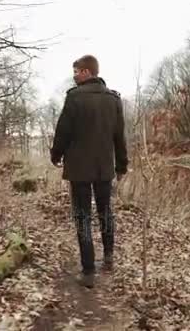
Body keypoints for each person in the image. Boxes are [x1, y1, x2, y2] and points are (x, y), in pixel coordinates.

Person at [50, 54, 129, 288]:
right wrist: (122, 165)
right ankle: (108, 258)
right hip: (104, 168)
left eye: (76, 71)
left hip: (79, 170)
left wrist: (56, 155)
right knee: (106, 212)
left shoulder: (74, 98)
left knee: (83, 217)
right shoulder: (113, 100)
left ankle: (88, 271)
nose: (74, 75)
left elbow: (63, 131)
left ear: (87, 72)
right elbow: (119, 138)